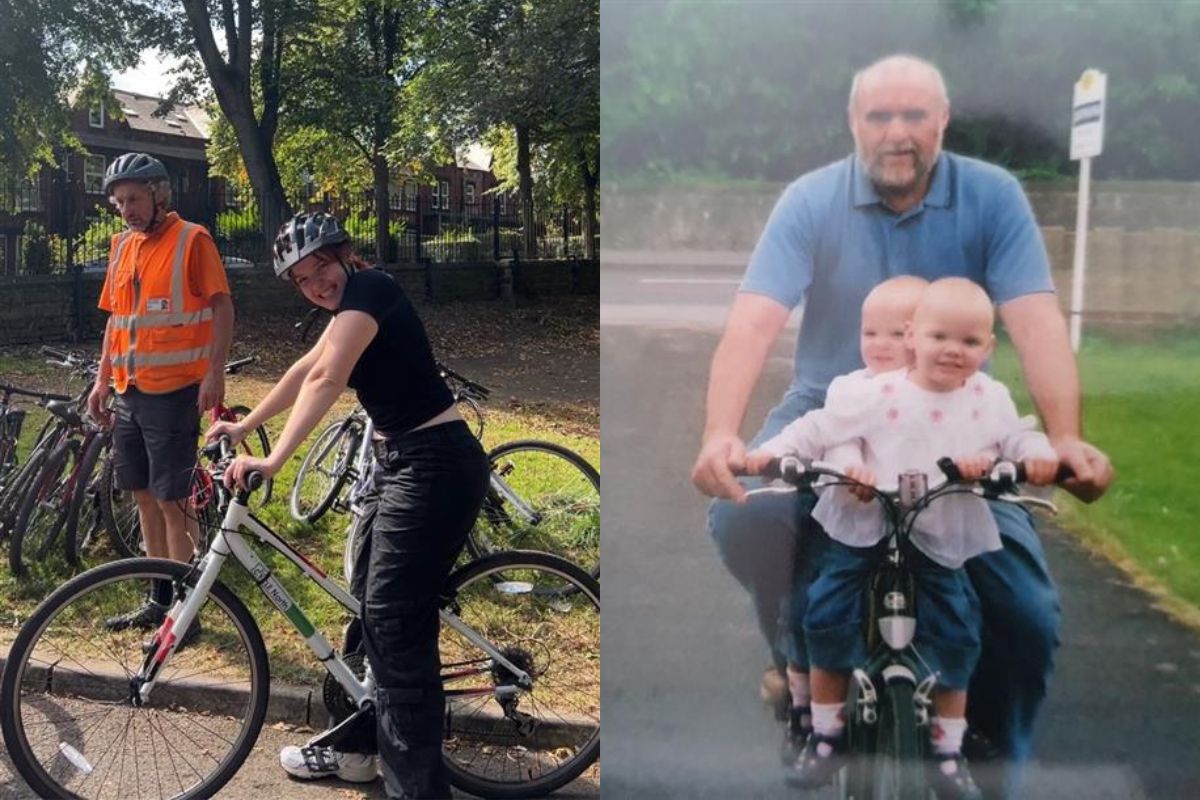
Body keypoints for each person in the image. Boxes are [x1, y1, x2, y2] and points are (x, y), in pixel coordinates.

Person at [689, 54, 1114, 799]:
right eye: (879, 116)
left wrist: (1065, 437)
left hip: (957, 420)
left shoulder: (992, 196)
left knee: (1025, 614)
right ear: (854, 122)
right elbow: (753, 324)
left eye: (914, 115)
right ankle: (797, 665)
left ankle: (996, 766)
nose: (896, 132)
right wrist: (720, 434)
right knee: (743, 521)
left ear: (941, 121)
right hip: (833, 406)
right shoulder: (810, 200)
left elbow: (1037, 322)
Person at [206, 212, 491, 799]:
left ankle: (417, 789)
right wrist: (244, 426)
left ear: (345, 256)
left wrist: (273, 461)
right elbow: (302, 370)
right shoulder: (344, 310)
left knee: (392, 621)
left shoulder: (371, 289)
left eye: (321, 269)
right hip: (396, 465)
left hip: (435, 464)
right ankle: (361, 749)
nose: (317, 285)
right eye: (303, 281)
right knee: (367, 603)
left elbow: (329, 380)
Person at [747, 278, 1060, 798]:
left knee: (959, 629)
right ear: (917, 338)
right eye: (939, 337)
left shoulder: (987, 399)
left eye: (968, 341)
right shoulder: (878, 393)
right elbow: (822, 427)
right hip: (862, 531)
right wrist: (773, 454)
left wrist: (1034, 456)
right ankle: (825, 734)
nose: (952, 351)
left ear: (988, 348)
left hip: (939, 535)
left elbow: (1017, 434)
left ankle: (947, 747)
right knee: (825, 611)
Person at [773, 274, 927, 765]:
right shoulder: (849, 388)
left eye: (899, 334)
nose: (881, 345)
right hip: (853, 521)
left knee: (962, 606)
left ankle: (958, 716)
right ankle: (817, 721)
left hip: (920, 525)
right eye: (871, 332)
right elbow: (836, 433)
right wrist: (848, 465)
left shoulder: (940, 395)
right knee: (817, 605)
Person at [86, 152, 234, 637]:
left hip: (174, 393)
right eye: (119, 201)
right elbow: (116, 321)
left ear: (159, 194)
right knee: (143, 497)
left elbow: (222, 307)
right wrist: (101, 381)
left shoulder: (192, 239)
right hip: (129, 392)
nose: (126, 208)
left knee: (174, 502)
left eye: (134, 198)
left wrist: (215, 373)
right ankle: (158, 597)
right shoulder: (121, 247)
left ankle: (186, 611)